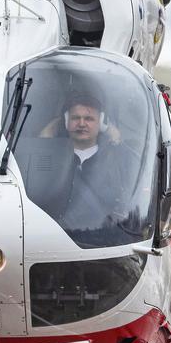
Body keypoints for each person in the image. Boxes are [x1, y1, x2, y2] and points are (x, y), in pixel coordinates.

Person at [57, 93, 137, 242]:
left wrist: (114, 137)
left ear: (101, 123)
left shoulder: (118, 161)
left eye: (89, 119)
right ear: (66, 121)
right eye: (75, 118)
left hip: (104, 239)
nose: (81, 124)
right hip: (58, 238)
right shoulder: (53, 159)